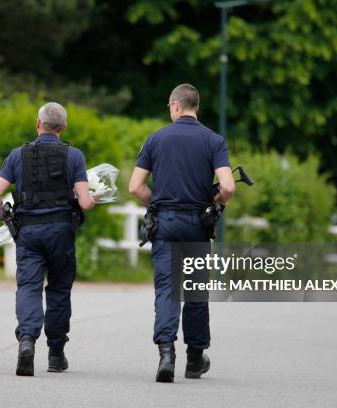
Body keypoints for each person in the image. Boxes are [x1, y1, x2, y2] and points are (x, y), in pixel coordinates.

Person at [129, 84, 235, 382]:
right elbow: (228, 186)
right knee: (195, 291)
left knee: (167, 288)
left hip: (165, 223)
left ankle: (166, 354)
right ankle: (194, 358)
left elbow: (135, 186)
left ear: (175, 106)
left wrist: (157, 203)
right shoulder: (214, 140)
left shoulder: (156, 139)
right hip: (197, 225)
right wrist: (217, 203)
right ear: (195, 106)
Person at [0, 102, 95, 376]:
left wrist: (6, 218)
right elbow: (84, 202)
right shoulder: (74, 156)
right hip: (60, 232)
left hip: (29, 234)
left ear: (38, 124)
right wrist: (92, 198)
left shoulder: (17, 155)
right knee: (59, 290)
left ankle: (26, 341)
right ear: (63, 128)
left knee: (28, 287)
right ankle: (56, 355)